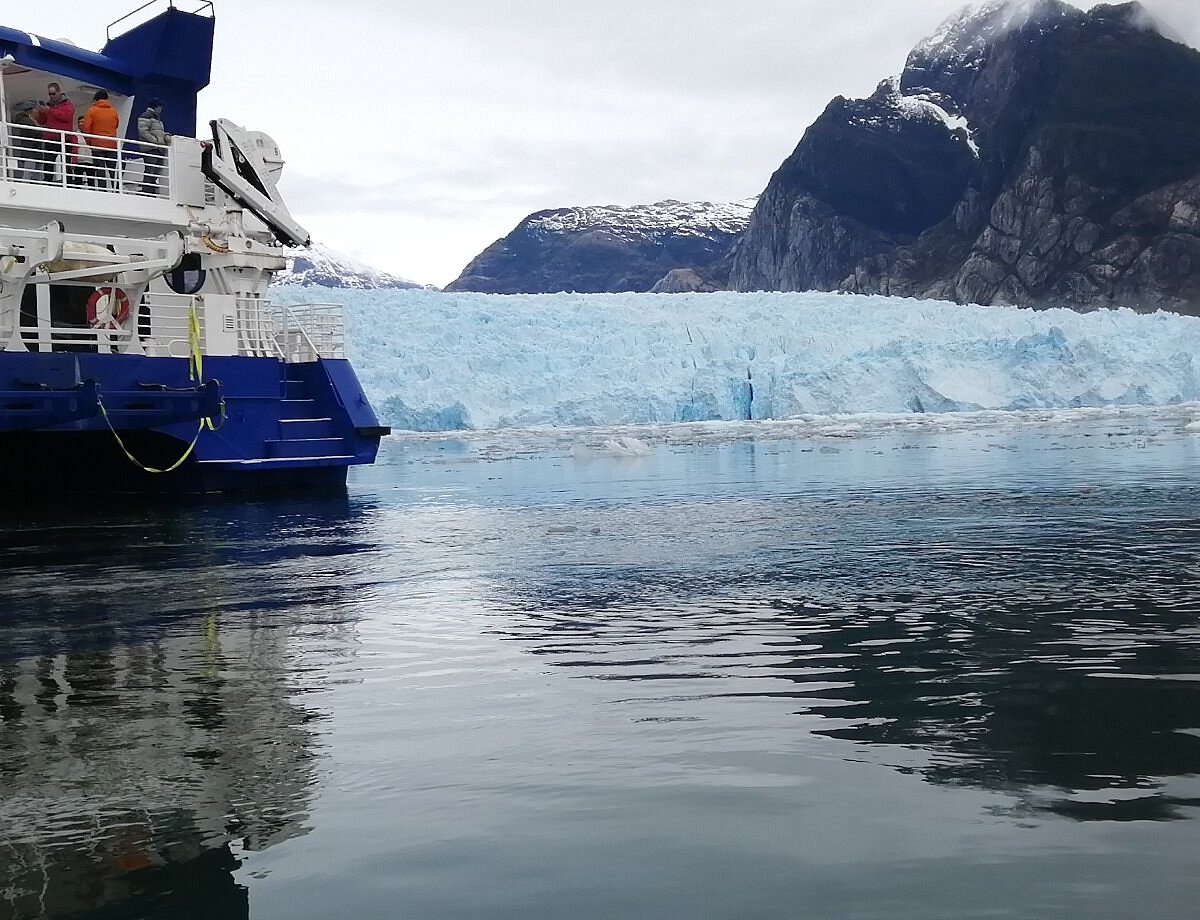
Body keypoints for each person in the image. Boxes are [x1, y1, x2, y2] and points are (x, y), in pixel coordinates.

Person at [80, 90, 119, 189]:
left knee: (100, 171)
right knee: (113, 170)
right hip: (111, 145)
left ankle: (103, 191)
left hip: (97, 145)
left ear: (95, 99)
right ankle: (118, 189)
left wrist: (90, 143)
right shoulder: (114, 111)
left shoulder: (92, 110)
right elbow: (116, 125)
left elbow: (86, 128)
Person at [39, 82, 75, 183]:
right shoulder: (49, 106)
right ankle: (48, 181)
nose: (51, 96)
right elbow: (41, 121)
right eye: (49, 94)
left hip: (65, 139)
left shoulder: (67, 104)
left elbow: (66, 116)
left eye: (53, 94)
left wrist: (49, 111)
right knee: (48, 163)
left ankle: (68, 181)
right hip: (51, 138)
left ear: (59, 92)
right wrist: (41, 112)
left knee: (66, 163)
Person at [136, 98, 170, 195]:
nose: (161, 109)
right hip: (151, 148)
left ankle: (150, 189)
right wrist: (156, 141)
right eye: (160, 107)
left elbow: (159, 132)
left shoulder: (157, 118)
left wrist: (166, 135)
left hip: (158, 148)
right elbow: (143, 131)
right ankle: (146, 190)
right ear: (157, 107)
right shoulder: (146, 116)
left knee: (156, 169)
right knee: (150, 169)